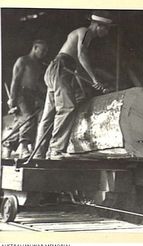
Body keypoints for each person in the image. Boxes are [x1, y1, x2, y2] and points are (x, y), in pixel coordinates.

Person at [34, 11, 113, 160]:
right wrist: (95, 80)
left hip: (59, 70)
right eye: (106, 29)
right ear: (98, 25)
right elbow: (82, 55)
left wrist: (87, 87)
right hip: (60, 68)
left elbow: (77, 69)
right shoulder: (85, 32)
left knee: (48, 115)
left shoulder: (83, 35)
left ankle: (39, 154)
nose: (107, 32)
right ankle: (55, 150)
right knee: (67, 107)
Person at [2, 40, 48, 159]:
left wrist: (44, 95)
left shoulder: (37, 65)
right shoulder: (23, 60)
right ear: (35, 47)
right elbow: (15, 80)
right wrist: (12, 98)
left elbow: (36, 83)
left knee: (22, 121)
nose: (43, 54)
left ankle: (8, 147)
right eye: (42, 50)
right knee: (28, 119)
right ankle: (24, 147)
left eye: (45, 52)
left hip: (32, 95)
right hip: (21, 94)